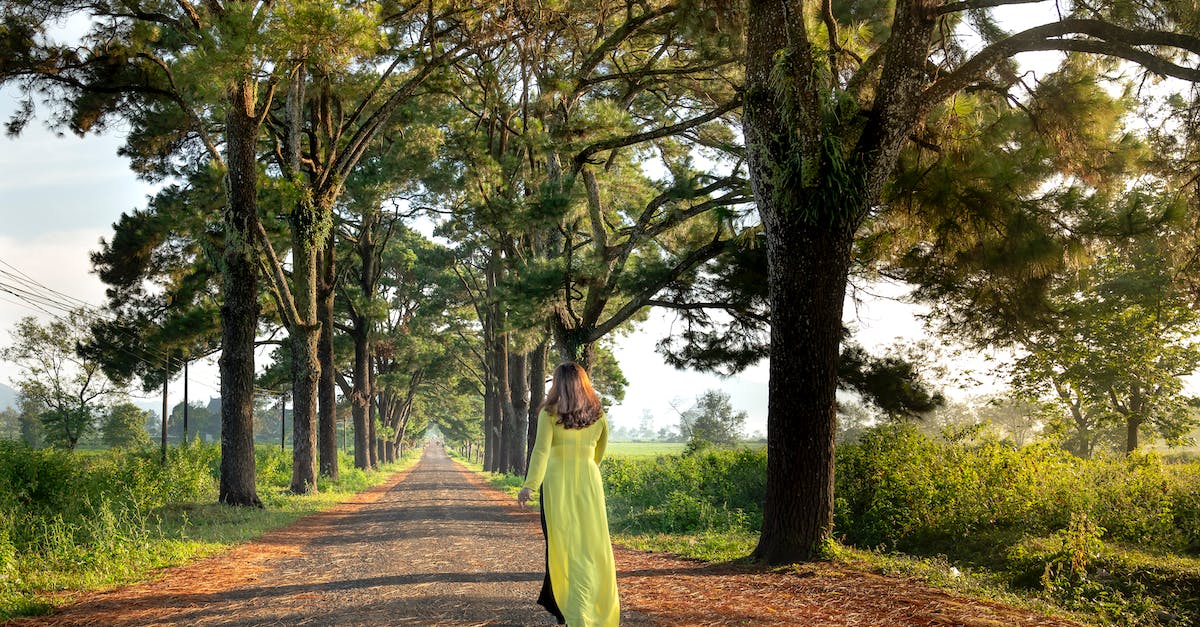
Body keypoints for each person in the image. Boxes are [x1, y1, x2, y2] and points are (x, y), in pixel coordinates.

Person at [518, 361, 619, 626]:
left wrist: (530, 485)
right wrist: (587, 468)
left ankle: (567, 608)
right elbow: (601, 449)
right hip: (589, 481)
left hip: (556, 482)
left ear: (559, 384)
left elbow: (540, 451)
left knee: (562, 545)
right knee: (591, 546)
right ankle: (596, 606)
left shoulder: (549, 413)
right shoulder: (598, 413)